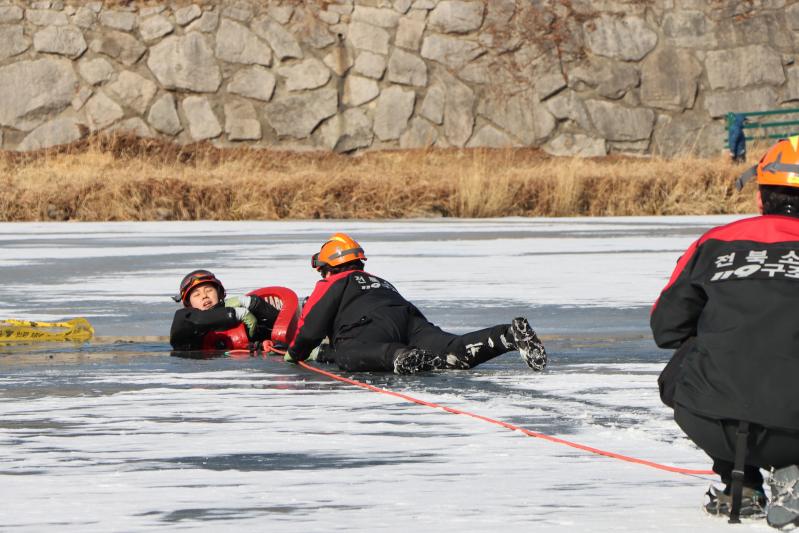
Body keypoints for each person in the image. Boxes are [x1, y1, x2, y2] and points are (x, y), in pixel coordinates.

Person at [651, 136, 799, 527]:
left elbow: (666, 329)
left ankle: (742, 485)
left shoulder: (715, 242)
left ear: (760, 197)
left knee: (689, 357)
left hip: (714, 424)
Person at [284, 233, 547, 375]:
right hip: (410, 320)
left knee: (347, 353)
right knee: (452, 352)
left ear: (329, 267)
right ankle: (507, 335)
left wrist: (294, 353)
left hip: (370, 328)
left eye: (322, 270)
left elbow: (310, 330)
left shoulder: (333, 282)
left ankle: (400, 356)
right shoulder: (379, 281)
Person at [170, 269, 279, 351]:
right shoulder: (183, 319)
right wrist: (234, 313)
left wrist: (254, 303)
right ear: (188, 304)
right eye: (196, 295)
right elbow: (198, 319)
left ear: (220, 294)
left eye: (209, 290)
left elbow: (280, 329)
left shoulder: (242, 322)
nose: (204, 296)